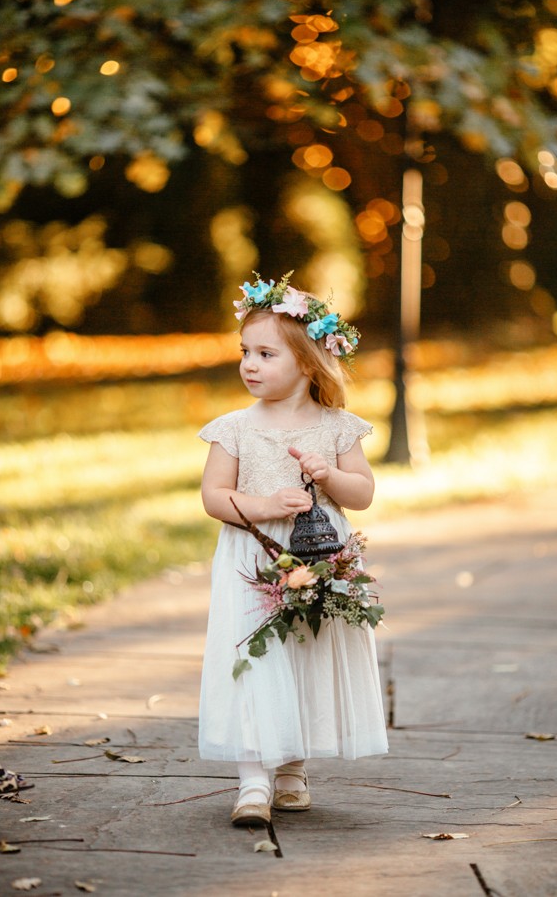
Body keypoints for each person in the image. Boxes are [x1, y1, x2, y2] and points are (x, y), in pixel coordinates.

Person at [198, 273, 388, 827]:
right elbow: (213, 497)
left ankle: (291, 771)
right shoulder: (233, 428)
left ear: (307, 363)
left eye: (265, 353)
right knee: (255, 660)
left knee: (303, 654)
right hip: (251, 556)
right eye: (245, 352)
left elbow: (365, 493)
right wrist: (264, 505)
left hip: (317, 557)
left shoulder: (337, 427)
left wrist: (329, 474)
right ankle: (252, 781)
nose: (249, 364)